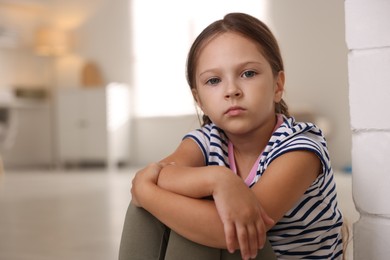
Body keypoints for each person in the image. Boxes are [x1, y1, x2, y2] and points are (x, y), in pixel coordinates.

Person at [119, 12, 344, 260]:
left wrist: (144, 190)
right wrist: (218, 179)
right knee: (152, 210)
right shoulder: (208, 139)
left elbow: (225, 233)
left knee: (197, 220)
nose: (231, 90)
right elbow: (163, 172)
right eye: (214, 80)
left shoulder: (300, 148)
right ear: (199, 100)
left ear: (277, 86)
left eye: (248, 74)